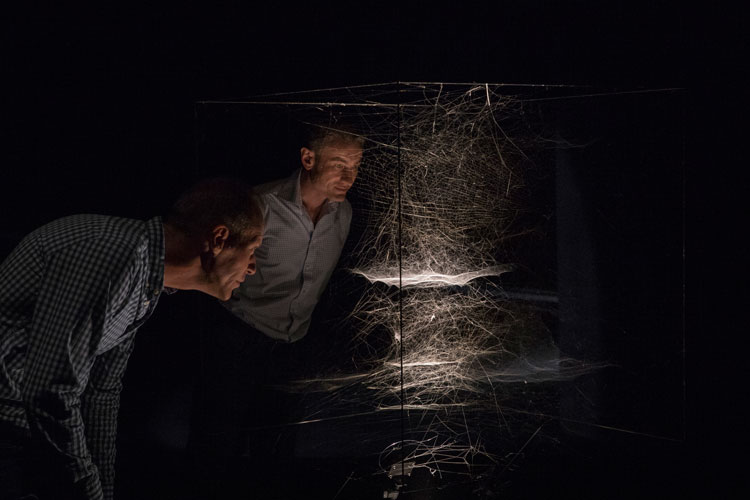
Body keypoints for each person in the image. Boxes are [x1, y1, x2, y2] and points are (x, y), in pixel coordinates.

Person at [0, 178, 263, 500]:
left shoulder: (145, 280)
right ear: (219, 239)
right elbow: (49, 393)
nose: (252, 267)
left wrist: (103, 490)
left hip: (27, 430)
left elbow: (102, 392)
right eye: (252, 249)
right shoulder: (113, 255)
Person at [189, 122, 364, 496]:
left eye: (355, 165)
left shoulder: (342, 213)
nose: (349, 175)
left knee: (277, 450)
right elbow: (214, 269)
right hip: (239, 338)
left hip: (293, 345)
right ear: (307, 158)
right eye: (339, 163)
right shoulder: (261, 205)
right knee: (218, 446)